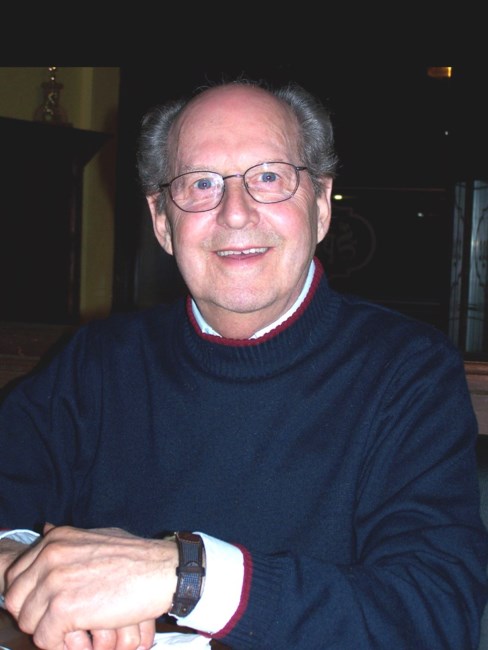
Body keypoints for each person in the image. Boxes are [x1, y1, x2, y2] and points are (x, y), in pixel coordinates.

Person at [1, 77, 487, 650]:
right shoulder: (96, 361)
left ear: (321, 205)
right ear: (161, 221)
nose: (235, 213)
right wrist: (25, 568)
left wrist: (186, 577)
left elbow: (435, 617)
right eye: (201, 183)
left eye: (269, 177)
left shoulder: (408, 371)